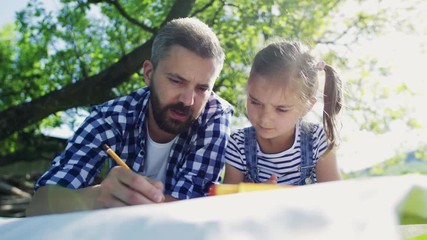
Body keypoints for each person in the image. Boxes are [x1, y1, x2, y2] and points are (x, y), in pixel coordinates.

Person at [26, 17, 233, 216]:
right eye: (177, 81)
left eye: (202, 88)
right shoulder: (111, 117)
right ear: (148, 74)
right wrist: (97, 197)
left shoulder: (215, 116)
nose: (188, 100)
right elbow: (38, 206)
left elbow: (193, 208)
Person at [223, 40, 342, 185]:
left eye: (281, 109)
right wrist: (254, 196)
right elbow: (229, 203)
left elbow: (333, 198)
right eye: (255, 102)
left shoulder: (317, 140)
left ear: (307, 107)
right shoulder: (238, 144)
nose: (265, 118)